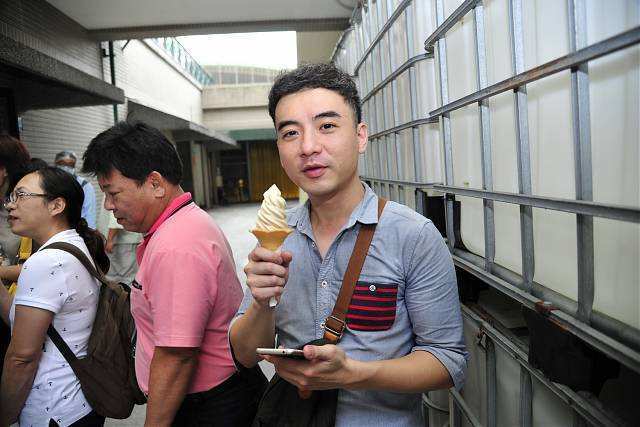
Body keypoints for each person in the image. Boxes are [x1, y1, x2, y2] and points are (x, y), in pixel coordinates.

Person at [229, 63, 468, 426]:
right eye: (290, 133)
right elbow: (245, 355)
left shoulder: (413, 236)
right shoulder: (276, 235)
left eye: (327, 126)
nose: (308, 147)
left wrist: (354, 374)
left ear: (360, 136)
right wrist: (262, 303)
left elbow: (448, 362)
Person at [81, 121, 267, 426]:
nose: (109, 206)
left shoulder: (176, 245)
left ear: (155, 183)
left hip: (207, 407)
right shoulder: (185, 222)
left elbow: (177, 355)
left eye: (113, 193)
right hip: (218, 395)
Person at [0, 166, 109, 426]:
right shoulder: (73, 246)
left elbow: (22, 357)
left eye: (21, 195)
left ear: (56, 205)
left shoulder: (47, 262)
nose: (11, 205)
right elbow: (22, 320)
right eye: (11, 197)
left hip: (53, 410)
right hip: (79, 404)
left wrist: (4, 416)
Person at [55, 151, 97, 229]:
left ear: (74, 166)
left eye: (70, 165)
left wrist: (88, 232)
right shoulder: (49, 183)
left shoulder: (84, 185)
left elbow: (89, 215)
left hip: (77, 230)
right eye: (62, 164)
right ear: (56, 164)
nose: (66, 167)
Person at [104, 209, 141, 284]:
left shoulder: (116, 203)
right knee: (125, 275)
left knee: (124, 276)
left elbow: (115, 220)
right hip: (123, 241)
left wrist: (110, 239)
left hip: (122, 241)